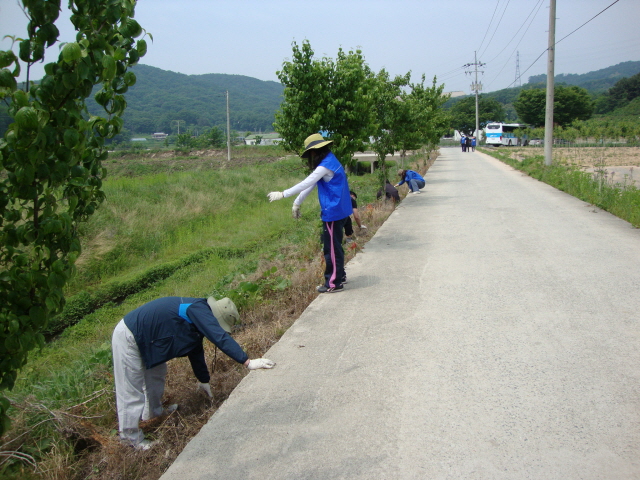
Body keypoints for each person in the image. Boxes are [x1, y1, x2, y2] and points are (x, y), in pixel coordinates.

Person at [112, 296, 275, 450]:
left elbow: (195, 350)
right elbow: (219, 337)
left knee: (156, 373)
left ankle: (154, 412)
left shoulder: (196, 316)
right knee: (130, 390)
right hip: (129, 336)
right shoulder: (197, 309)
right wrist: (247, 362)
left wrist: (204, 380)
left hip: (148, 338)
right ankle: (130, 439)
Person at [268, 133, 352, 293]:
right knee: (336, 247)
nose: (310, 157)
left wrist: (283, 193)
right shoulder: (331, 160)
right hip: (341, 210)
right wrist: (296, 203)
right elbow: (311, 184)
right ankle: (339, 276)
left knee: (331, 249)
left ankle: (334, 283)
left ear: (315, 151)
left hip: (333, 212)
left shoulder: (324, 166)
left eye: (310, 154)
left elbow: (306, 182)